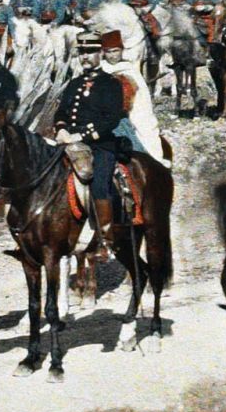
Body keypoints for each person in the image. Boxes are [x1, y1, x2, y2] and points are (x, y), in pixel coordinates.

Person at [52, 30, 131, 259]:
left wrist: (83, 136)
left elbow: (111, 119)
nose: (86, 57)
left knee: (99, 184)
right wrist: (62, 128)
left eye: (91, 52)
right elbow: (62, 111)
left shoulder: (111, 83)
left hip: (100, 144)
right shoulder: (74, 83)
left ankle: (105, 242)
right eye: (82, 52)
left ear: (100, 53)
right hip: (69, 142)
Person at [101, 29, 166, 165]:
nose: (112, 56)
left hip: (123, 118)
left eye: (116, 51)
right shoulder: (100, 70)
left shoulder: (130, 71)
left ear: (122, 50)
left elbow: (141, 103)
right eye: (108, 52)